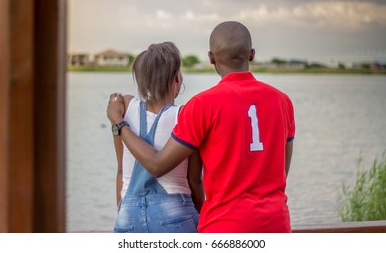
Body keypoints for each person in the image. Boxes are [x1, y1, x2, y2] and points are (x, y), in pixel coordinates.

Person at [107, 21, 295, 233]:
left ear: (211, 57)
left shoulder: (202, 105)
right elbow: (281, 172)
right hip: (275, 223)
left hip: (223, 225)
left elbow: (153, 166)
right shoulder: (283, 102)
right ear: (251, 54)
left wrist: (118, 123)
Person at [111, 42, 204, 233]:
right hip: (175, 211)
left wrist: (123, 212)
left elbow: (121, 170)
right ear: (177, 79)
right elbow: (194, 180)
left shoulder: (124, 107)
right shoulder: (185, 115)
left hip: (128, 213)